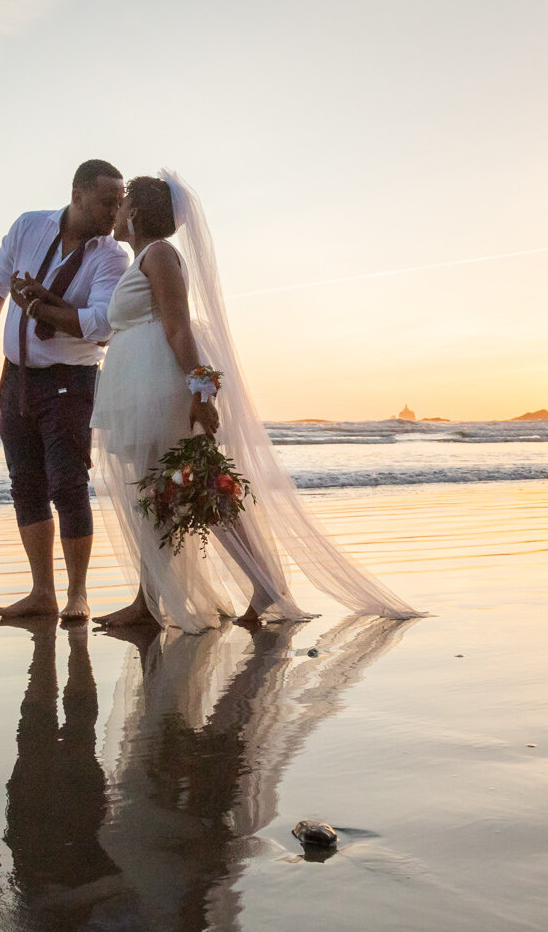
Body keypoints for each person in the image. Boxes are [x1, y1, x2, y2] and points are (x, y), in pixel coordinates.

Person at [88, 171, 422, 631]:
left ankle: (260, 582)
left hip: (159, 388)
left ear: (138, 211)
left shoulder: (161, 255)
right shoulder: (143, 258)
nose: (116, 210)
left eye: (123, 203)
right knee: (159, 493)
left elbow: (179, 327)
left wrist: (199, 388)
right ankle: (150, 601)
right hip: (136, 389)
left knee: (192, 487)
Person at [0, 160, 131, 619]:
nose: (115, 212)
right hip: (15, 375)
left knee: (69, 484)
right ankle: (42, 591)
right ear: (77, 195)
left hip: (70, 381)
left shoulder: (112, 256)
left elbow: (100, 327)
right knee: (25, 484)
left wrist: (40, 304)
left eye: (119, 203)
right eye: (106, 201)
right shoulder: (28, 226)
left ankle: (77, 594)